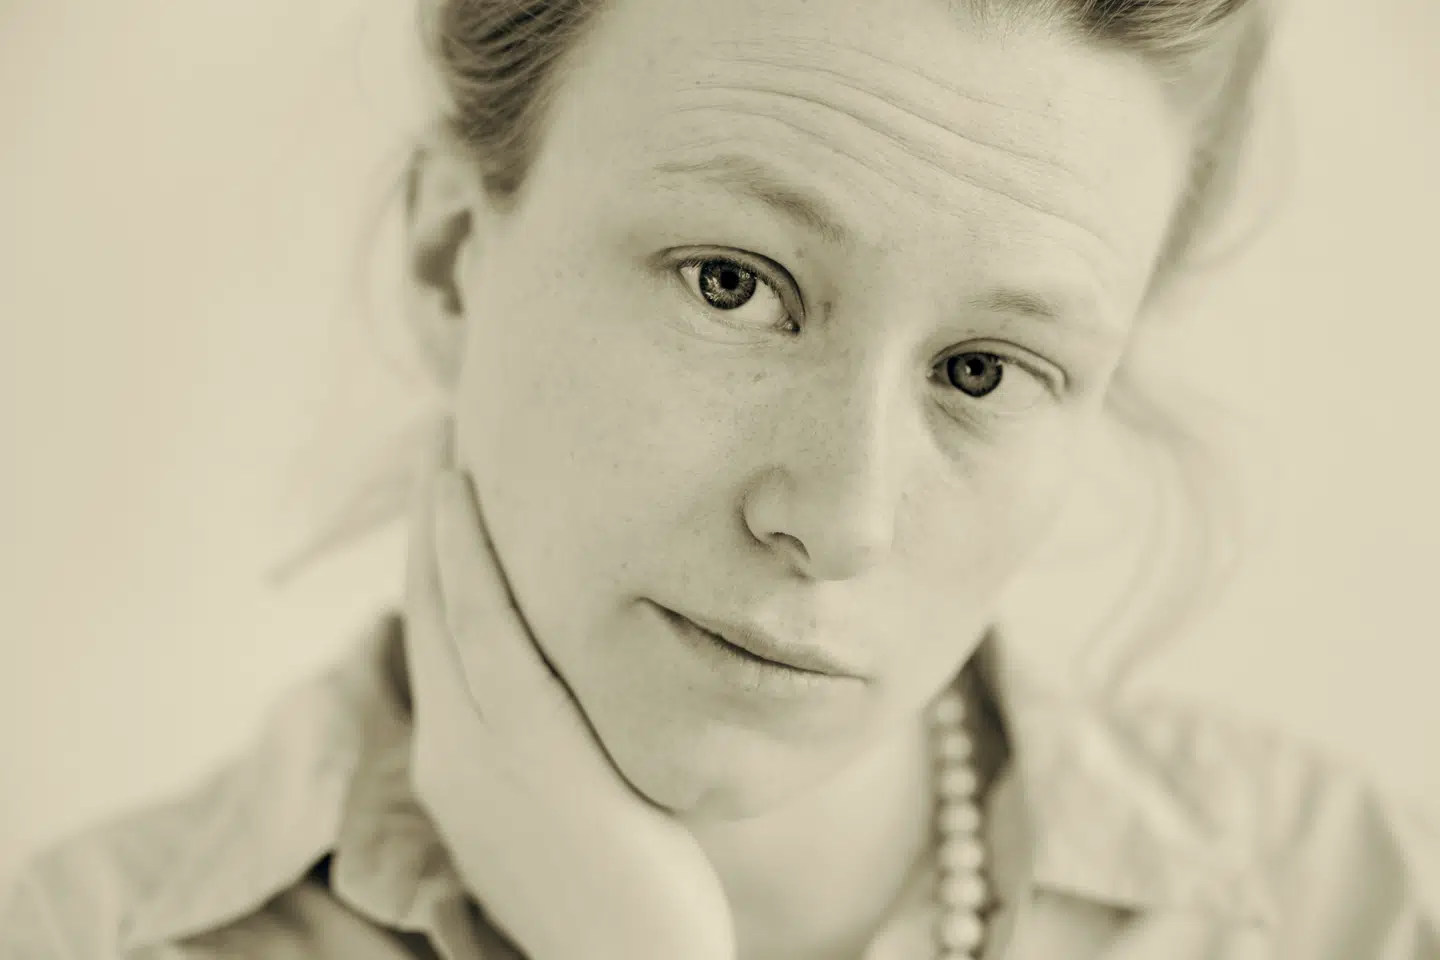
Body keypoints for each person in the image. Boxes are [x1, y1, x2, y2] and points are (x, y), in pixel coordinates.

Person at [4, 0, 1438, 957]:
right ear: (449, 259)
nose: (839, 520)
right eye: (733, 284)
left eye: (983, 370)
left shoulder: (1341, 909)